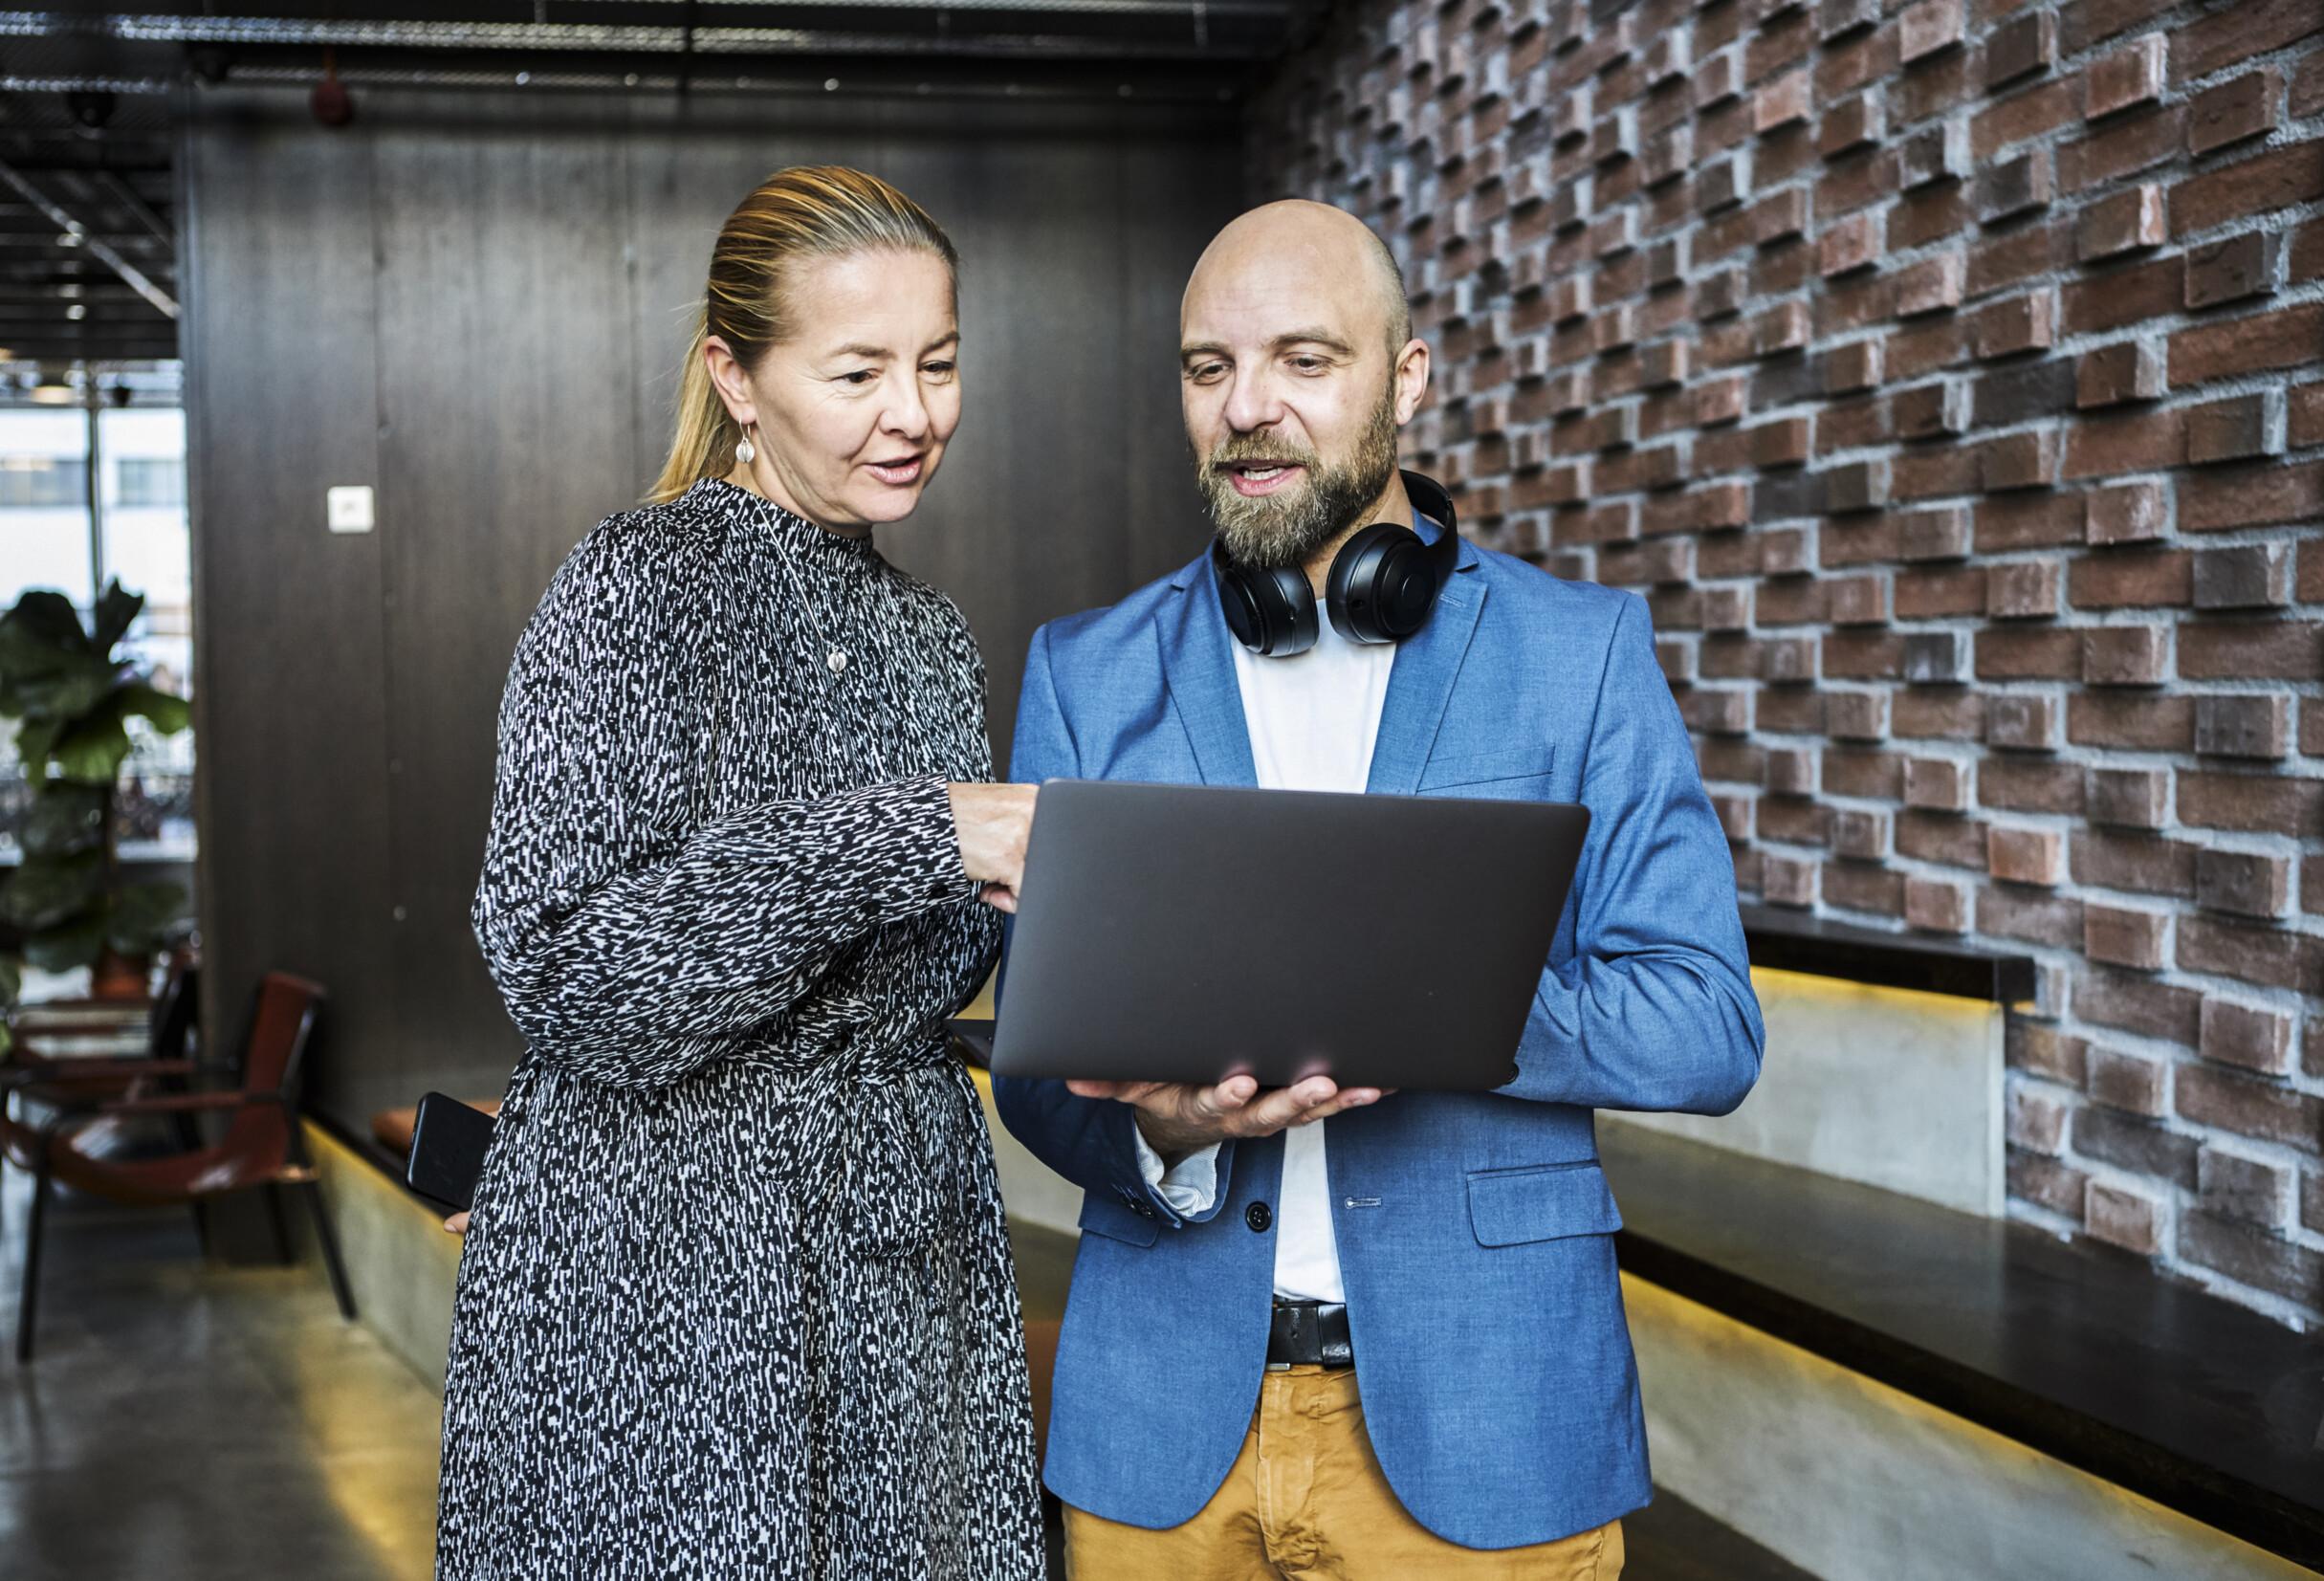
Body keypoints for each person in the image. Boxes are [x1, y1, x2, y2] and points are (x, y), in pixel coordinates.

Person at [993, 200, 1765, 1579]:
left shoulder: (1580, 655)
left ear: (1405, 380)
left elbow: (1706, 1023)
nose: (1250, 409)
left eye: (1304, 359)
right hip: (1161, 1434)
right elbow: (1041, 1070)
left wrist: (1428, 999)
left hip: (1489, 1426)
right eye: (1209, 367)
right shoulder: (1084, 672)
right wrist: (1161, 1131)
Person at [437, 165, 1042, 1580]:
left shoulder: (932, 638)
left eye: (941, 364)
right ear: (738, 374)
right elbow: (572, 973)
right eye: (859, 370)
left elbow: (912, 972)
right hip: (673, 1281)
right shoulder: (632, 584)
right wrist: (915, 833)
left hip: (901, 1258)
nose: (916, 413)